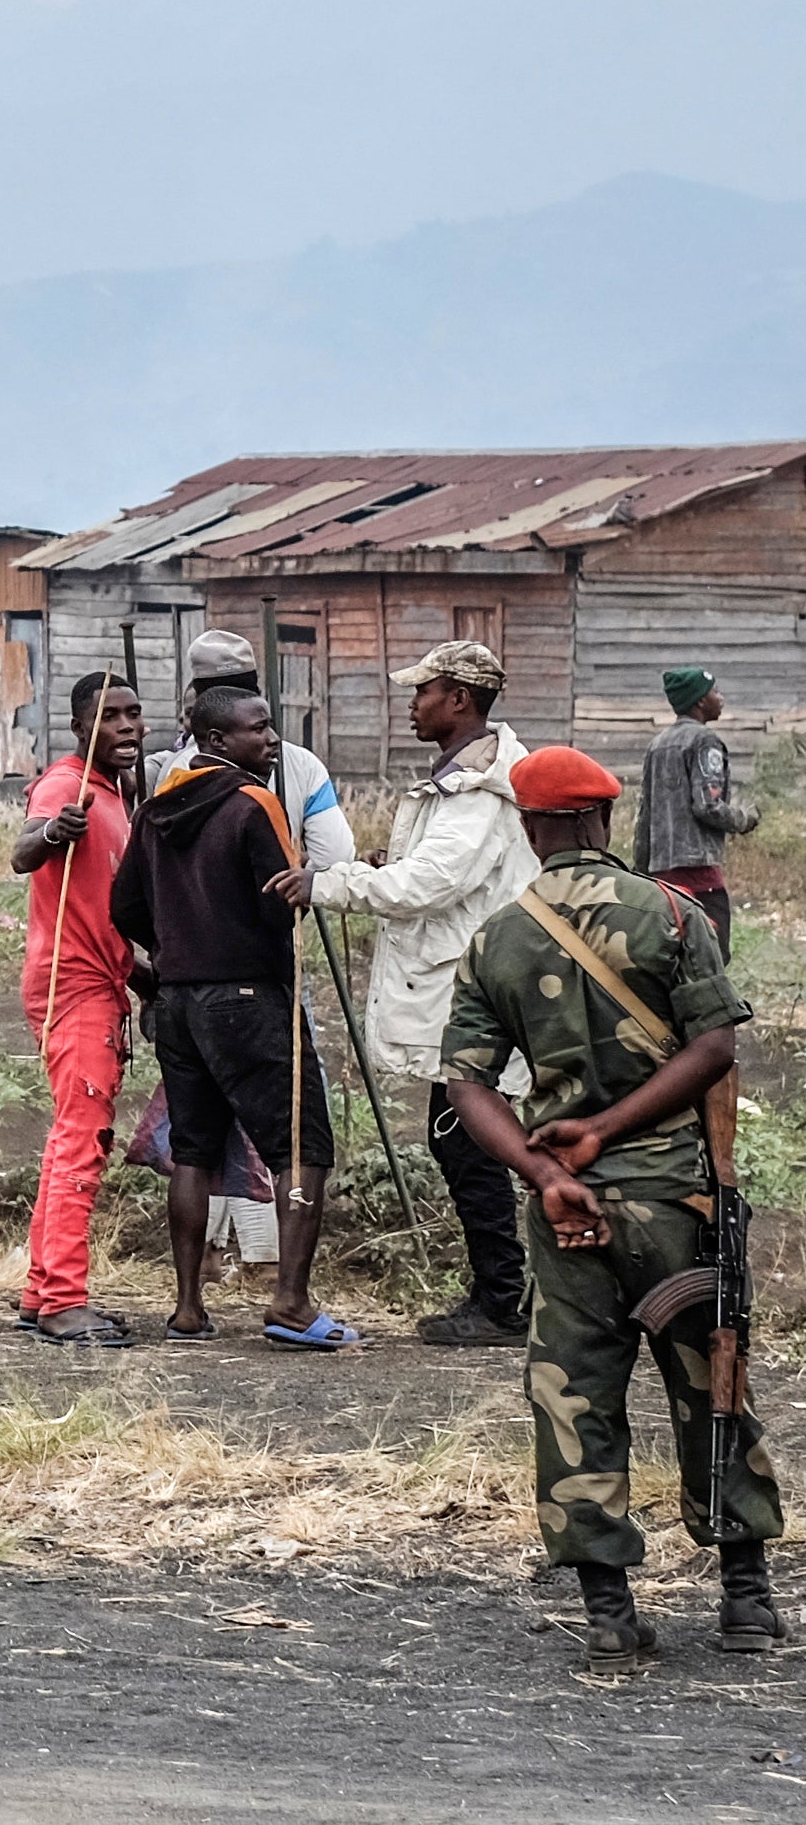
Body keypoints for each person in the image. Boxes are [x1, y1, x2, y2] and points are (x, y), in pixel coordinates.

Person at [440, 745, 783, 1673]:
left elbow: (464, 1086)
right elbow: (713, 1047)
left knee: (573, 1394)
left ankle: (609, 1612)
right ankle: (746, 1599)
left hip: (568, 1210)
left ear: (528, 827)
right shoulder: (672, 915)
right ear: (601, 818)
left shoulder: (498, 939)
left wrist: (546, 1169)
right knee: (711, 1377)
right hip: (675, 1197)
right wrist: (615, 1129)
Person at [275, 641, 535, 1347]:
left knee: (470, 1140)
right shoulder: (464, 776)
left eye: (423, 692)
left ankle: (504, 1299)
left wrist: (329, 883)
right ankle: (503, 1291)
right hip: (469, 982)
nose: (412, 704)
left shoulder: (479, 789)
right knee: (466, 1138)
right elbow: (438, 873)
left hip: (472, 991)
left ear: (458, 699)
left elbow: (432, 883)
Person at [115, 686, 348, 1347]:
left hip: (180, 1000)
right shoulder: (254, 802)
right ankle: (291, 1303)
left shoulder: (154, 811)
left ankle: (188, 1308)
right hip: (249, 997)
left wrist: (169, 948)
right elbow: (285, 897)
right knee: (301, 1146)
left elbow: (123, 906)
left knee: (193, 1151)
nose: (270, 741)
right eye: (258, 729)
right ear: (216, 741)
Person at [7, 672, 148, 1344]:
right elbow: (22, 851)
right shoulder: (68, 786)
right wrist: (54, 832)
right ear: (80, 728)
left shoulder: (118, 799)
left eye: (133, 715)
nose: (126, 727)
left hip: (101, 981)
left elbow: (108, 914)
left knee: (71, 1133)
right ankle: (65, 1297)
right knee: (82, 1140)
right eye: (110, 717)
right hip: (74, 987)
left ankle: (42, 1290)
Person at [145, 631, 357, 868]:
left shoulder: (179, 772)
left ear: (199, 696)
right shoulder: (303, 763)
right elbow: (334, 858)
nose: (271, 740)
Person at [637, 667, 760, 957]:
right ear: (700, 702)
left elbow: (645, 815)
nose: (722, 698)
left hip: (661, 873)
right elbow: (708, 805)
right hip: (698, 871)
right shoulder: (705, 742)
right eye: (715, 692)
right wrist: (744, 819)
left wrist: (641, 871)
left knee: (672, 953)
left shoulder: (658, 745)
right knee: (714, 953)